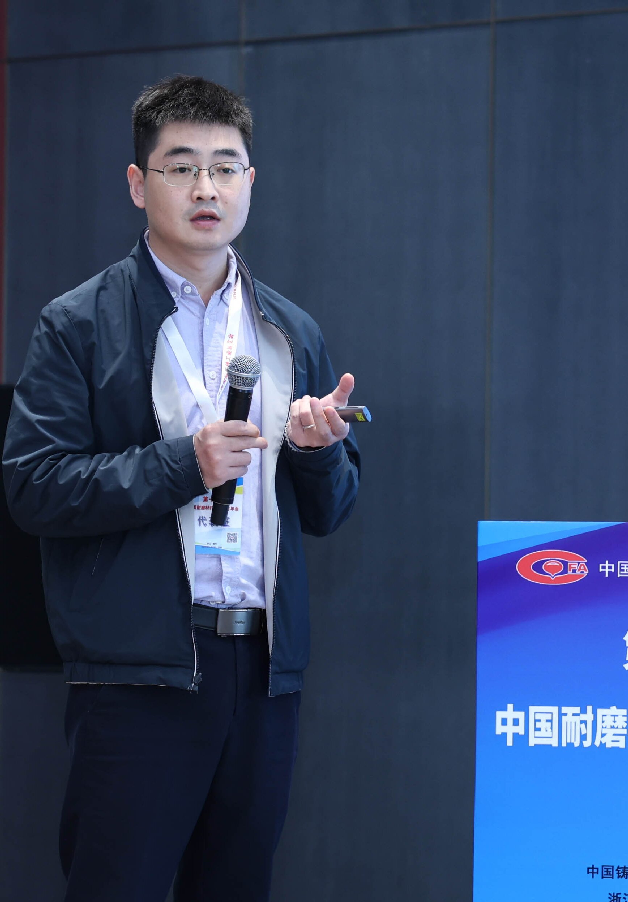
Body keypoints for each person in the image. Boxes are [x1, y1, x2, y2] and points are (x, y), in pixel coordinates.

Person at [2, 75, 360, 902]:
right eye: (182, 167)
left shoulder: (288, 330)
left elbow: (333, 510)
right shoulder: (78, 322)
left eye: (226, 168)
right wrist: (182, 465)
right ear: (139, 183)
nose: (207, 188)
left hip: (262, 672)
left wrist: (315, 453)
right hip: (139, 676)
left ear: (250, 183)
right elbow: (33, 486)